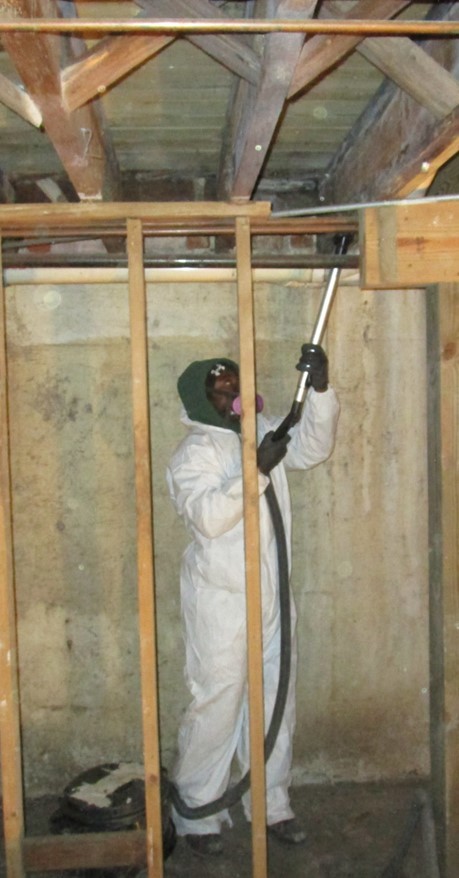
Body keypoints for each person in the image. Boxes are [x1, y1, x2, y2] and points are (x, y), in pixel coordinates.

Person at [166, 345, 340, 856]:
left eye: (237, 387)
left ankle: (272, 804)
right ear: (200, 401)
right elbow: (209, 517)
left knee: (275, 701)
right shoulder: (193, 454)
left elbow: (312, 448)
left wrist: (322, 390)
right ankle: (199, 812)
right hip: (221, 601)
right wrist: (254, 472)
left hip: (272, 596)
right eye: (222, 390)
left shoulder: (263, 430)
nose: (233, 396)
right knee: (217, 702)